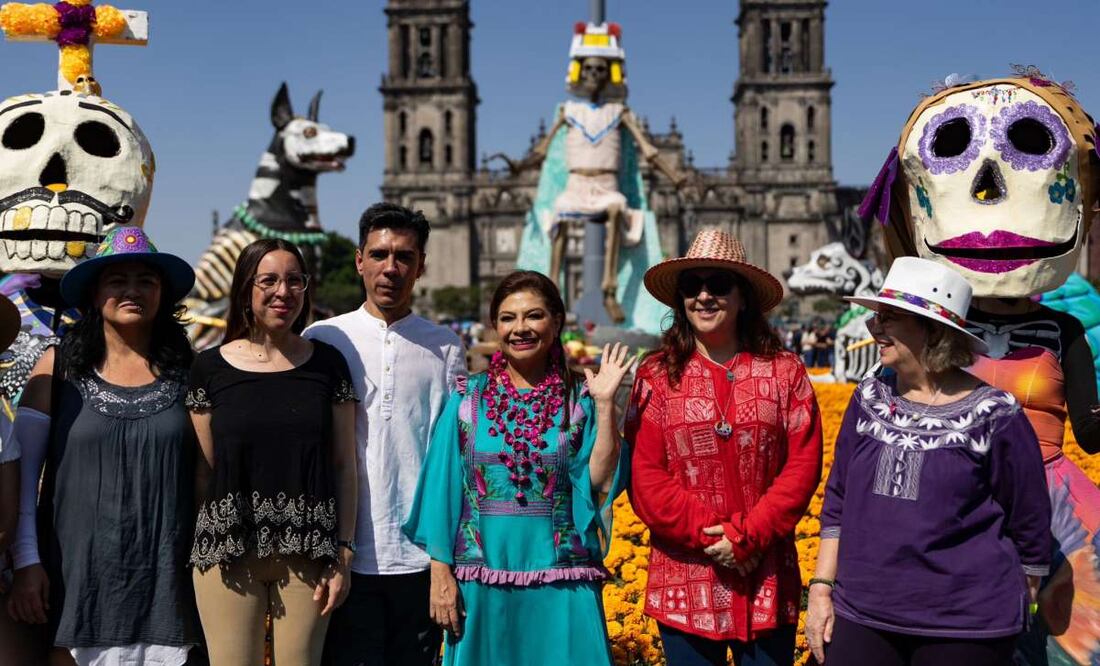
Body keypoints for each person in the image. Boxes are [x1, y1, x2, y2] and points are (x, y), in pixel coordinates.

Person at [806, 257, 1052, 666]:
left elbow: (1029, 520)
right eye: (876, 317)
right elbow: (838, 500)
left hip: (964, 626)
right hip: (862, 612)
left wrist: (1018, 603)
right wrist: (820, 589)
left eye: (888, 318)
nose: (874, 328)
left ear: (932, 331)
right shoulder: (868, 399)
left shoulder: (995, 414)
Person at [403, 270, 632, 666]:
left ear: (557, 321)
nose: (520, 328)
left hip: (564, 580)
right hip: (482, 581)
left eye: (534, 316)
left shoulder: (579, 399)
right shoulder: (466, 400)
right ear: (495, 326)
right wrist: (441, 575)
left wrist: (607, 405)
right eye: (508, 318)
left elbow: (597, 479)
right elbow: (442, 491)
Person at [626, 227, 823, 666]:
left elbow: (802, 466)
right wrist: (716, 539)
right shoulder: (656, 375)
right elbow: (646, 476)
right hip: (687, 577)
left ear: (743, 297)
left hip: (765, 573)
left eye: (717, 284)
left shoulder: (785, 372)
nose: (703, 296)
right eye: (691, 286)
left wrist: (747, 537)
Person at [6, 227, 202, 666]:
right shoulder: (56, 370)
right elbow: (22, 477)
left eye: (146, 281)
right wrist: (26, 563)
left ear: (163, 295)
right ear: (95, 294)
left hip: (168, 585)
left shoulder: (191, 374)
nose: (132, 291)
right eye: (117, 281)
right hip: (77, 584)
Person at [305, 202, 466, 666]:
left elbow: (450, 454)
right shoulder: (324, 338)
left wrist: (442, 559)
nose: (390, 268)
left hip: (417, 558)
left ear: (421, 266)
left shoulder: (445, 346)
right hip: (341, 557)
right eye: (379, 254)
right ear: (359, 260)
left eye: (404, 257)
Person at [187, 238, 358, 666]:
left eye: (294, 280)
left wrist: (343, 552)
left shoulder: (329, 365)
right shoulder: (208, 368)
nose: (283, 292)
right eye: (269, 280)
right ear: (246, 288)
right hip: (226, 551)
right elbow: (204, 472)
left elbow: (344, 466)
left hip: (310, 552)